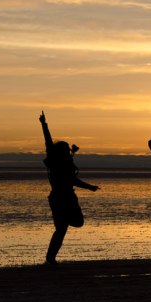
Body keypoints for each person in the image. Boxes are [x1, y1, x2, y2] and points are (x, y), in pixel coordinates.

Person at [39, 111, 99, 265]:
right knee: (61, 230)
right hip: (60, 198)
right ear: (61, 153)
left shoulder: (64, 163)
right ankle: (50, 259)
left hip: (65, 198)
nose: (68, 152)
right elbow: (48, 142)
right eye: (65, 150)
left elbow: (73, 180)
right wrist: (44, 125)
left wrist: (90, 187)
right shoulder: (56, 163)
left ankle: (50, 257)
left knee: (73, 224)